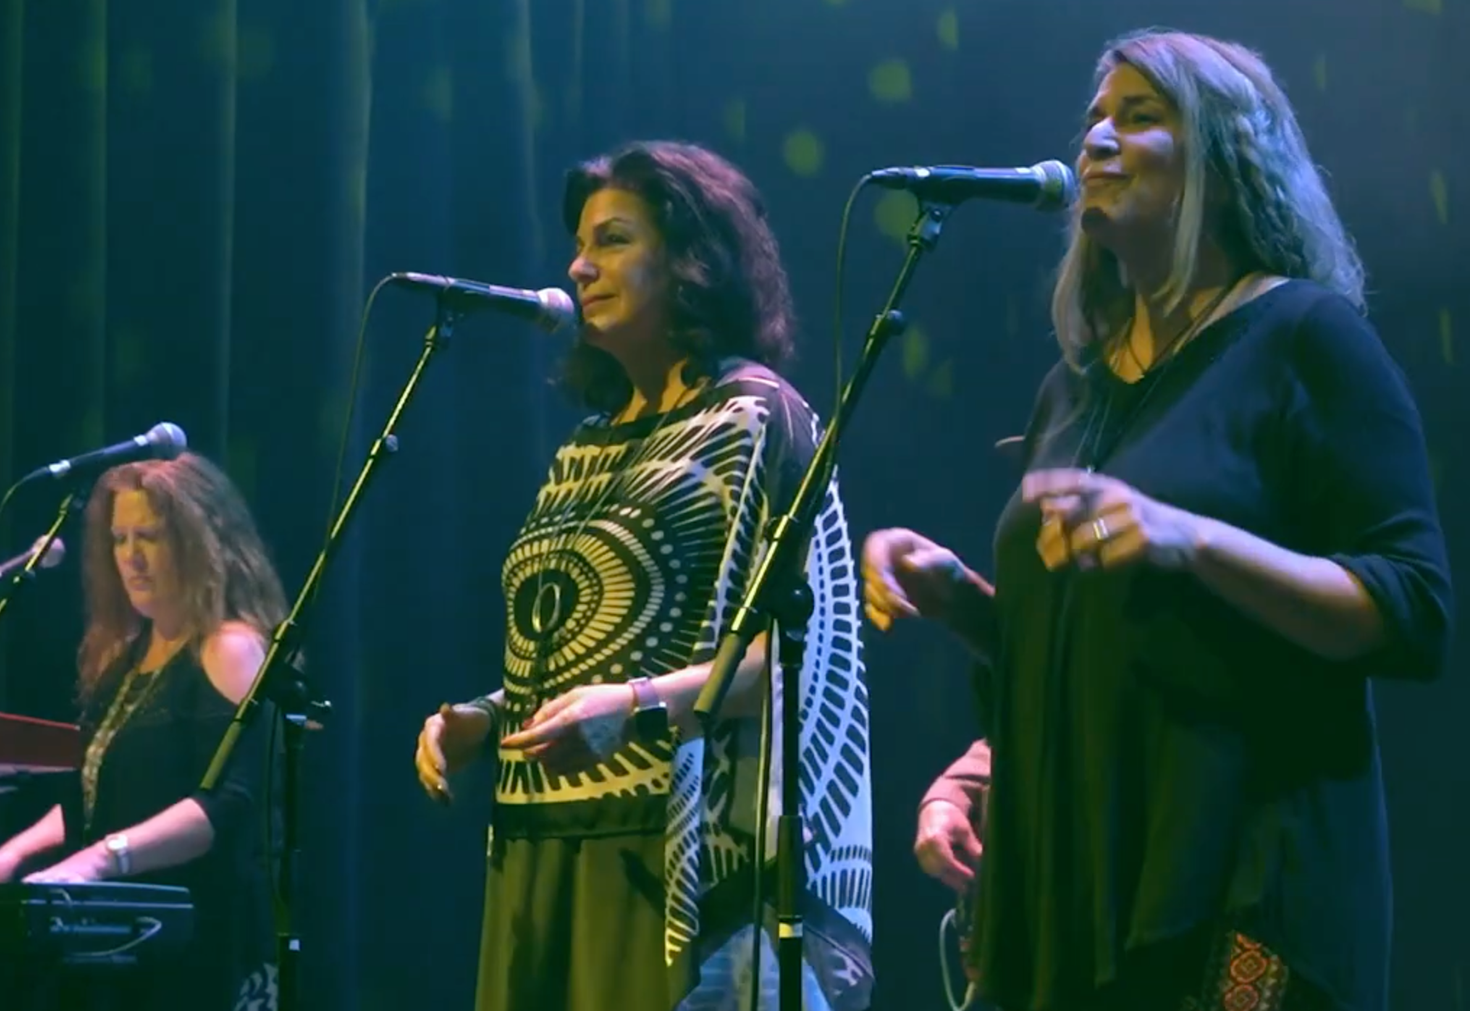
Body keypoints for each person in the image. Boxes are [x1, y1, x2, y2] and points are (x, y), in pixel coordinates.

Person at [861, 28, 1452, 1011]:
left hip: (1242, 881)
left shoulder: (1304, 337)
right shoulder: (1073, 390)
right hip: (1075, 894)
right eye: (1094, 117)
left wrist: (1192, 538)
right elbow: (1094, 647)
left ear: (1227, 161)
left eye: (1139, 117)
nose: (1097, 138)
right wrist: (963, 602)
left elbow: (1413, 608)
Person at [413, 140, 874, 1011]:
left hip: (668, 854)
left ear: (692, 260)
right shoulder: (586, 445)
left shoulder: (757, 419)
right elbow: (596, 647)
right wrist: (487, 716)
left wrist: (633, 707)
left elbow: (801, 659)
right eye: (579, 246)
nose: (580, 267)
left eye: (614, 240)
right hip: (537, 848)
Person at [0, 452, 285, 1010]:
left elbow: (226, 806)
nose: (132, 558)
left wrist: (100, 859)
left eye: (150, 537)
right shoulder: (123, 658)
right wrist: (10, 858)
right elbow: (93, 795)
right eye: (120, 539)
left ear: (200, 542)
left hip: (205, 944)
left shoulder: (230, 648)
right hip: (127, 942)